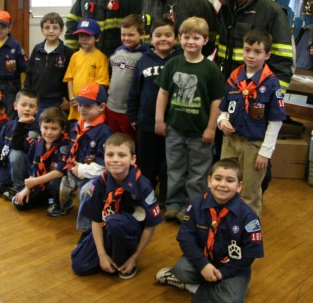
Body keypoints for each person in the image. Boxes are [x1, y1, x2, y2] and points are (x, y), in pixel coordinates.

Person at [155, 158, 264, 302]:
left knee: (232, 300)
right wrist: (203, 264)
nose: (222, 185)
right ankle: (214, 288)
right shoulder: (196, 206)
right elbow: (186, 239)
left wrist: (223, 273)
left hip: (232, 267)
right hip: (204, 259)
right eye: (218, 178)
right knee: (181, 271)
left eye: (230, 180)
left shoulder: (248, 217)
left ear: (239, 186)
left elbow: (250, 254)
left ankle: (196, 288)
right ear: (209, 181)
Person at [155, 17, 225, 222]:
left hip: (200, 131)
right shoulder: (172, 64)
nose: (191, 42)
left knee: (198, 172)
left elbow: (216, 101)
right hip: (175, 129)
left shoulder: (211, 70)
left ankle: (192, 206)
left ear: (205, 40)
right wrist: (159, 120)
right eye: (186, 37)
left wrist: (212, 128)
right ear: (180, 39)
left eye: (196, 37)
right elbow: (163, 93)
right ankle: (173, 204)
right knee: (174, 168)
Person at [71, 133, 162, 279]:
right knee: (80, 265)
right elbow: (95, 219)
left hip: (129, 230)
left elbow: (150, 226)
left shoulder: (142, 186)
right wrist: (101, 256)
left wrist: (134, 257)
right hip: (107, 227)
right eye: (110, 155)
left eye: (121, 155)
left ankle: (124, 259)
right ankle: (109, 252)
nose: (115, 160)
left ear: (133, 159)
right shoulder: (100, 182)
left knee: (115, 223)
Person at [217, 29, 286, 216]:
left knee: (249, 191)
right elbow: (224, 107)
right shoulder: (235, 76)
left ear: (267, 55)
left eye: (257, 52)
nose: (251, 56)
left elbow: (275, 121)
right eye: (247, 50)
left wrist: (266, 152)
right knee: (225, 185)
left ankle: (247, 229)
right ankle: (225, 222)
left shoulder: (271, 84)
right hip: (230, 141)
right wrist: (222, 121)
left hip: (254, 145)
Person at [216, 0, 294, 91]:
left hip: (254, 92)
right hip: (226, 88)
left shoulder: (273, 12)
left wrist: (271, 99)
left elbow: (282, 64)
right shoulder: (226, 8)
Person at [127, 17, 181, 206]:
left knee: (168, 164)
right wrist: (133, 115)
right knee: (147, 164)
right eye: (158, 35)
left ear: (176, 38)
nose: (163, 39)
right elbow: (134, 90)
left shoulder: (181, 60)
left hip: (173, 123)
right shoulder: (143, 61)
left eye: (168, 35)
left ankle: (167, 198)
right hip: (146, 122)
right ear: (151, 38)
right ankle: (147, 197)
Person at [60, 83, 113, 223]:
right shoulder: (76, 126)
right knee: (59, 184)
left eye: (88, 106)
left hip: (93, 176)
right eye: (80, 104)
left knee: (86, 193)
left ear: (101, 107)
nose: (82, 109)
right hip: (73, 170)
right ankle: (64, 206)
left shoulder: (105, 133)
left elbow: (105, 166)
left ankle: (87, 229)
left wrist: (82, 170)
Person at [13, 107, 71, 215]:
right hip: (40, 181)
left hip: (55, 181)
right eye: (45, 127)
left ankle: (62, 204)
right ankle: (46, 200)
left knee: (55, 183)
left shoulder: (64, 145)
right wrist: (28, 187)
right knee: (20, 204)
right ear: (39, 126)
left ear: (62, 130)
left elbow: (60, 171)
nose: (49, 132)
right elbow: (33, 165)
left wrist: (35, 182)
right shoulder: (38, 143)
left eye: (54, 129)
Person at [0, 90, 40, 196]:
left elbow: (17, 145)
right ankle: (9, 184)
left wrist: (21, 125)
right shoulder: (8, 125)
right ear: (15, 106)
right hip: (7, 166)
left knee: (15, 153)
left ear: (36, 109)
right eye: (23, 105)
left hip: (26, 170)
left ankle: (18, 186)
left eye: (31, 106)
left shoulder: (36, 129)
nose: (27, 109)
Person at [24, 12, 74, 119]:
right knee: (38, 129)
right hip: (38, 100)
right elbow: (30, 73)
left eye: (55, 27)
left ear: (61, 30)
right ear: (42, 30)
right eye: (47, 27)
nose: (51, 31)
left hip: (58, 102)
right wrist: (28, 95)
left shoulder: (68, 53)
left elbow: (70, 78)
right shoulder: (37, 49)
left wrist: (67, 99)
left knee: (54, 129)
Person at [105, 14, 147, 142]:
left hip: (128, 112)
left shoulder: (145, 56)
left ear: (142, 34)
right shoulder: (117, 51)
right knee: (113, 140)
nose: (126, 38)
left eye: (131, 35)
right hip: (111, 107)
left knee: (129, 143)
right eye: (123, 35)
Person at [63, 19, 110, 124]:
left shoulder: (101, 58)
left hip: (90, 108)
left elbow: (100, 85)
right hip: (75, 107)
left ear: (97, 38)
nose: (84, 39)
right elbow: (69, 78)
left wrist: (84, 101)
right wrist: (71, 98)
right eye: (81, 36)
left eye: (88, 36)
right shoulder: (75, 56)